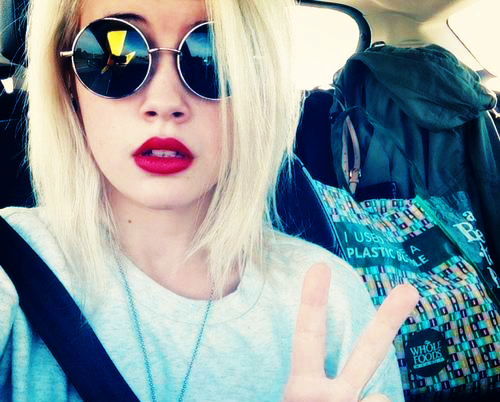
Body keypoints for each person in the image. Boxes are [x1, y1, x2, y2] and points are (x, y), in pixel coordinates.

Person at [0, 0, 419, 401]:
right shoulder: (11, 268)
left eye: (213, 58)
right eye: (118, 54)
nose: (165, 102)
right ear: (67, 81)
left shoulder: (329, 300)